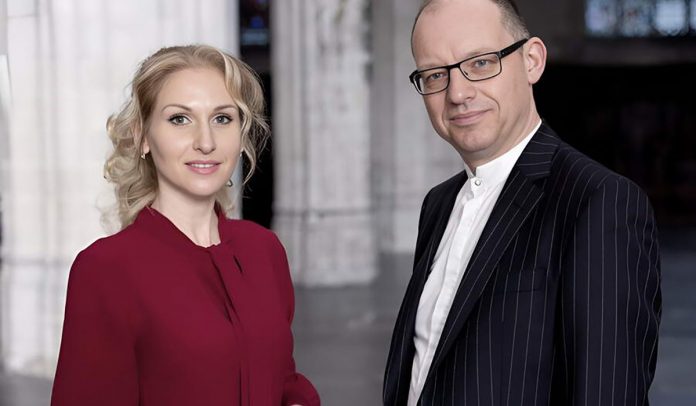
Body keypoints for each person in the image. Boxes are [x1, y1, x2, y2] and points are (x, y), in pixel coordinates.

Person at [383, 1, 661, 405]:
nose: (458, 93)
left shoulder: (598, 202)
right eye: (436, 74)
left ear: (532, 61)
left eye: (480, 63)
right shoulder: (438, 204)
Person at [51, 45, 319, 406]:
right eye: (180, 119)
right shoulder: (105, 269)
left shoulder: (264, 248)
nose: (206, 142)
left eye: (222, 118)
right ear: (143, 136)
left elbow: (282, 378)